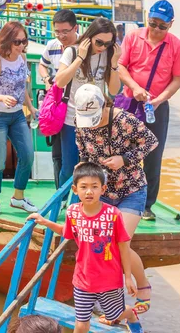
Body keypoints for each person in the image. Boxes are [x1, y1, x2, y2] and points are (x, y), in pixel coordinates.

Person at [27, 163, 143, 333]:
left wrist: (128, 277)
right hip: (83, 279)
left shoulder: (113, 214)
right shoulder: (73, 212)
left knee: (114, 315)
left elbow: (124, 246)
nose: (89, 192)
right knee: (81, 324)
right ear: (75, 190)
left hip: (110, 280)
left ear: (103, 189)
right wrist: (44, 222)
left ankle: (131, 315)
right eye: (84, 187)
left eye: (94, 187)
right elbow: (66, 232)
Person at [74, 84, 158, 314]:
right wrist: (83, 168)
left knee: (120, 242)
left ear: (104, 105)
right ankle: (109, 301)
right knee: (101, 246)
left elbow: (151, 142)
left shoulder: (125, 120)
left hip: (131, 190)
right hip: (102, 193)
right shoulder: (80, 122)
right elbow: (83, 152)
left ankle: (143, 286)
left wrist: (124, 159)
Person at [117, 0, 180, 221]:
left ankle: (146, 205)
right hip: (129, 101)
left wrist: (158, 100)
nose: (156, 30)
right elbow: (121, 67)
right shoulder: (132, 37)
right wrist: (135, 87)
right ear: (148, 17)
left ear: (171, 25)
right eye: (153, 23)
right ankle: (119, 196)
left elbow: (177, 80)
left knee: (153, 155)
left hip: (157, 107)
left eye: (162, 27)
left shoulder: (177, 46)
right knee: (121, 149)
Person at [54, 18, 122, 202]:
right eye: (99, 42)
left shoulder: (107, 56)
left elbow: (114, 90)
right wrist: (80, 58)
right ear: (89, 37)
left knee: (93, 167)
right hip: (72, 118)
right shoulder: (72, 51)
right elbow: (60, 81)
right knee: (70, 167)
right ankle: (62, 204)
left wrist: (114, 63)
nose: (102, 47)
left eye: (108, 44)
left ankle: (85, 206)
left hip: (96, 120)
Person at [0, 21, 38, 215]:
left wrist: (30, 106)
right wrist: (1, 97)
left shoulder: (21, 58)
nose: (21, 45)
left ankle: (18, 198)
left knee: (28, 155)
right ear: (6, 41)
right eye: (17, 41)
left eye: (24, 41)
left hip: (17, 115)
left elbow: (22, 87)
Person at [38, 9, 79, 189]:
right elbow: (42, 64)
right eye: (57, 31)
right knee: (58, 154)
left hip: (75, 107)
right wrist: (46, 79)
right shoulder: (52, 45)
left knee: (77, 157)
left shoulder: (83, 47)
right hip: (56, 106)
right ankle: (60, 195)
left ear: (75, 28)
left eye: (65, 31)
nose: (61, 36)